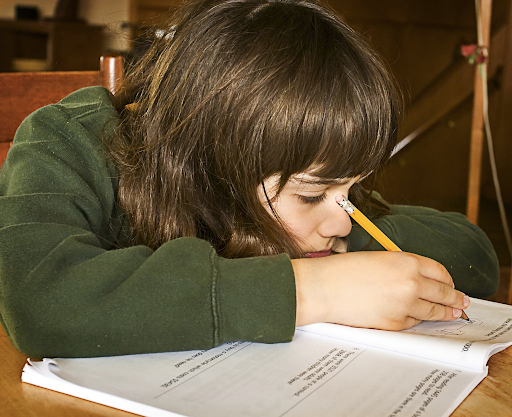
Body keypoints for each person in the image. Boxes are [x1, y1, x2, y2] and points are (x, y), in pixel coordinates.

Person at [0, 0, 498, 359]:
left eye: (348, 190)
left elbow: (474, 253)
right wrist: (313, 290)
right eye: (311, 194)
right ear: (212, 164)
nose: (341, 220)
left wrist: (360, 262)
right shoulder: (64, 140)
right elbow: (41, 301)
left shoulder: (317, 186)